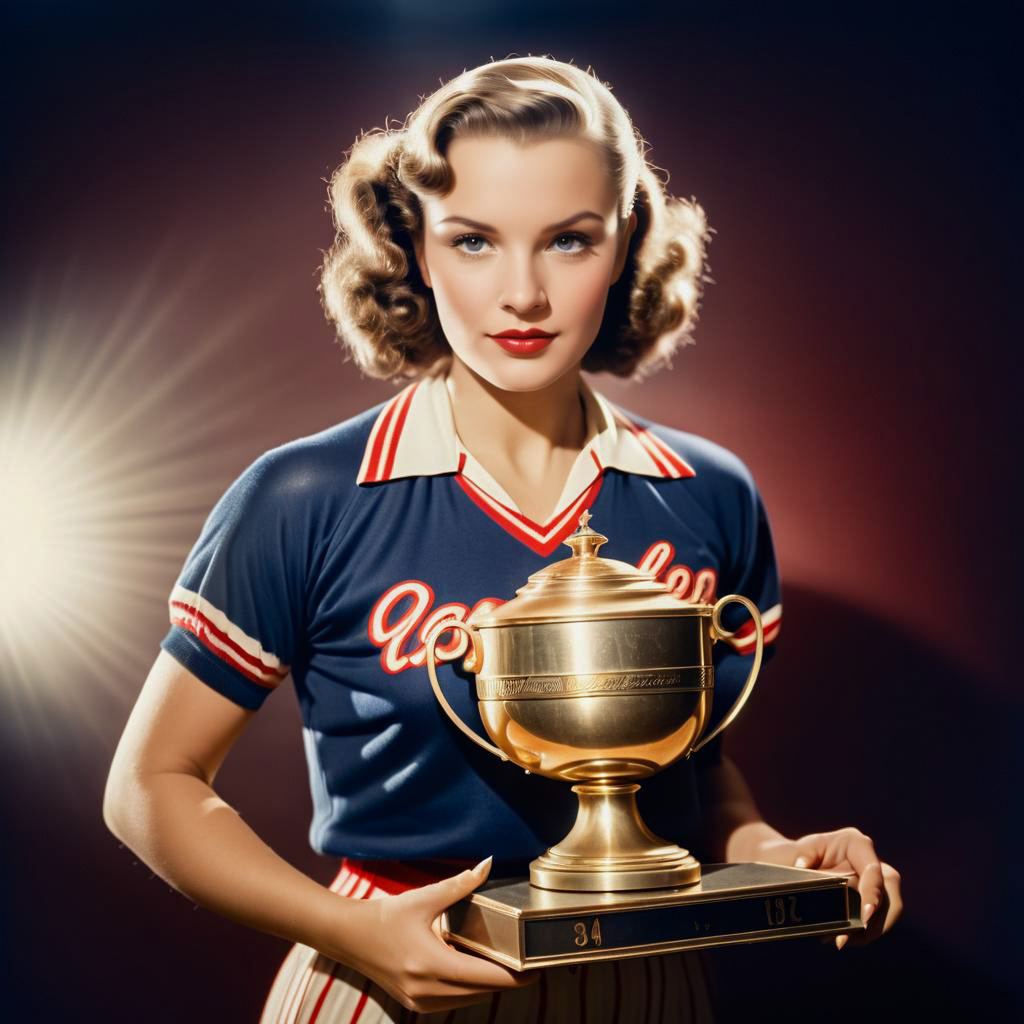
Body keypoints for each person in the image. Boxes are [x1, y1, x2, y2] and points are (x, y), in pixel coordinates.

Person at [102, 56, 902, 1023]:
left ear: (625, 247)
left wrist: (775, 852)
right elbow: (151, 784)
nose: (522, 293)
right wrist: (341, 928)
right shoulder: (306, 495)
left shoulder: (709, 494)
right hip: (390, 972)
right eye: (474, 241)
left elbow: (694, 773)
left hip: (651, 976)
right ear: (415, 249)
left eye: (568, 241)